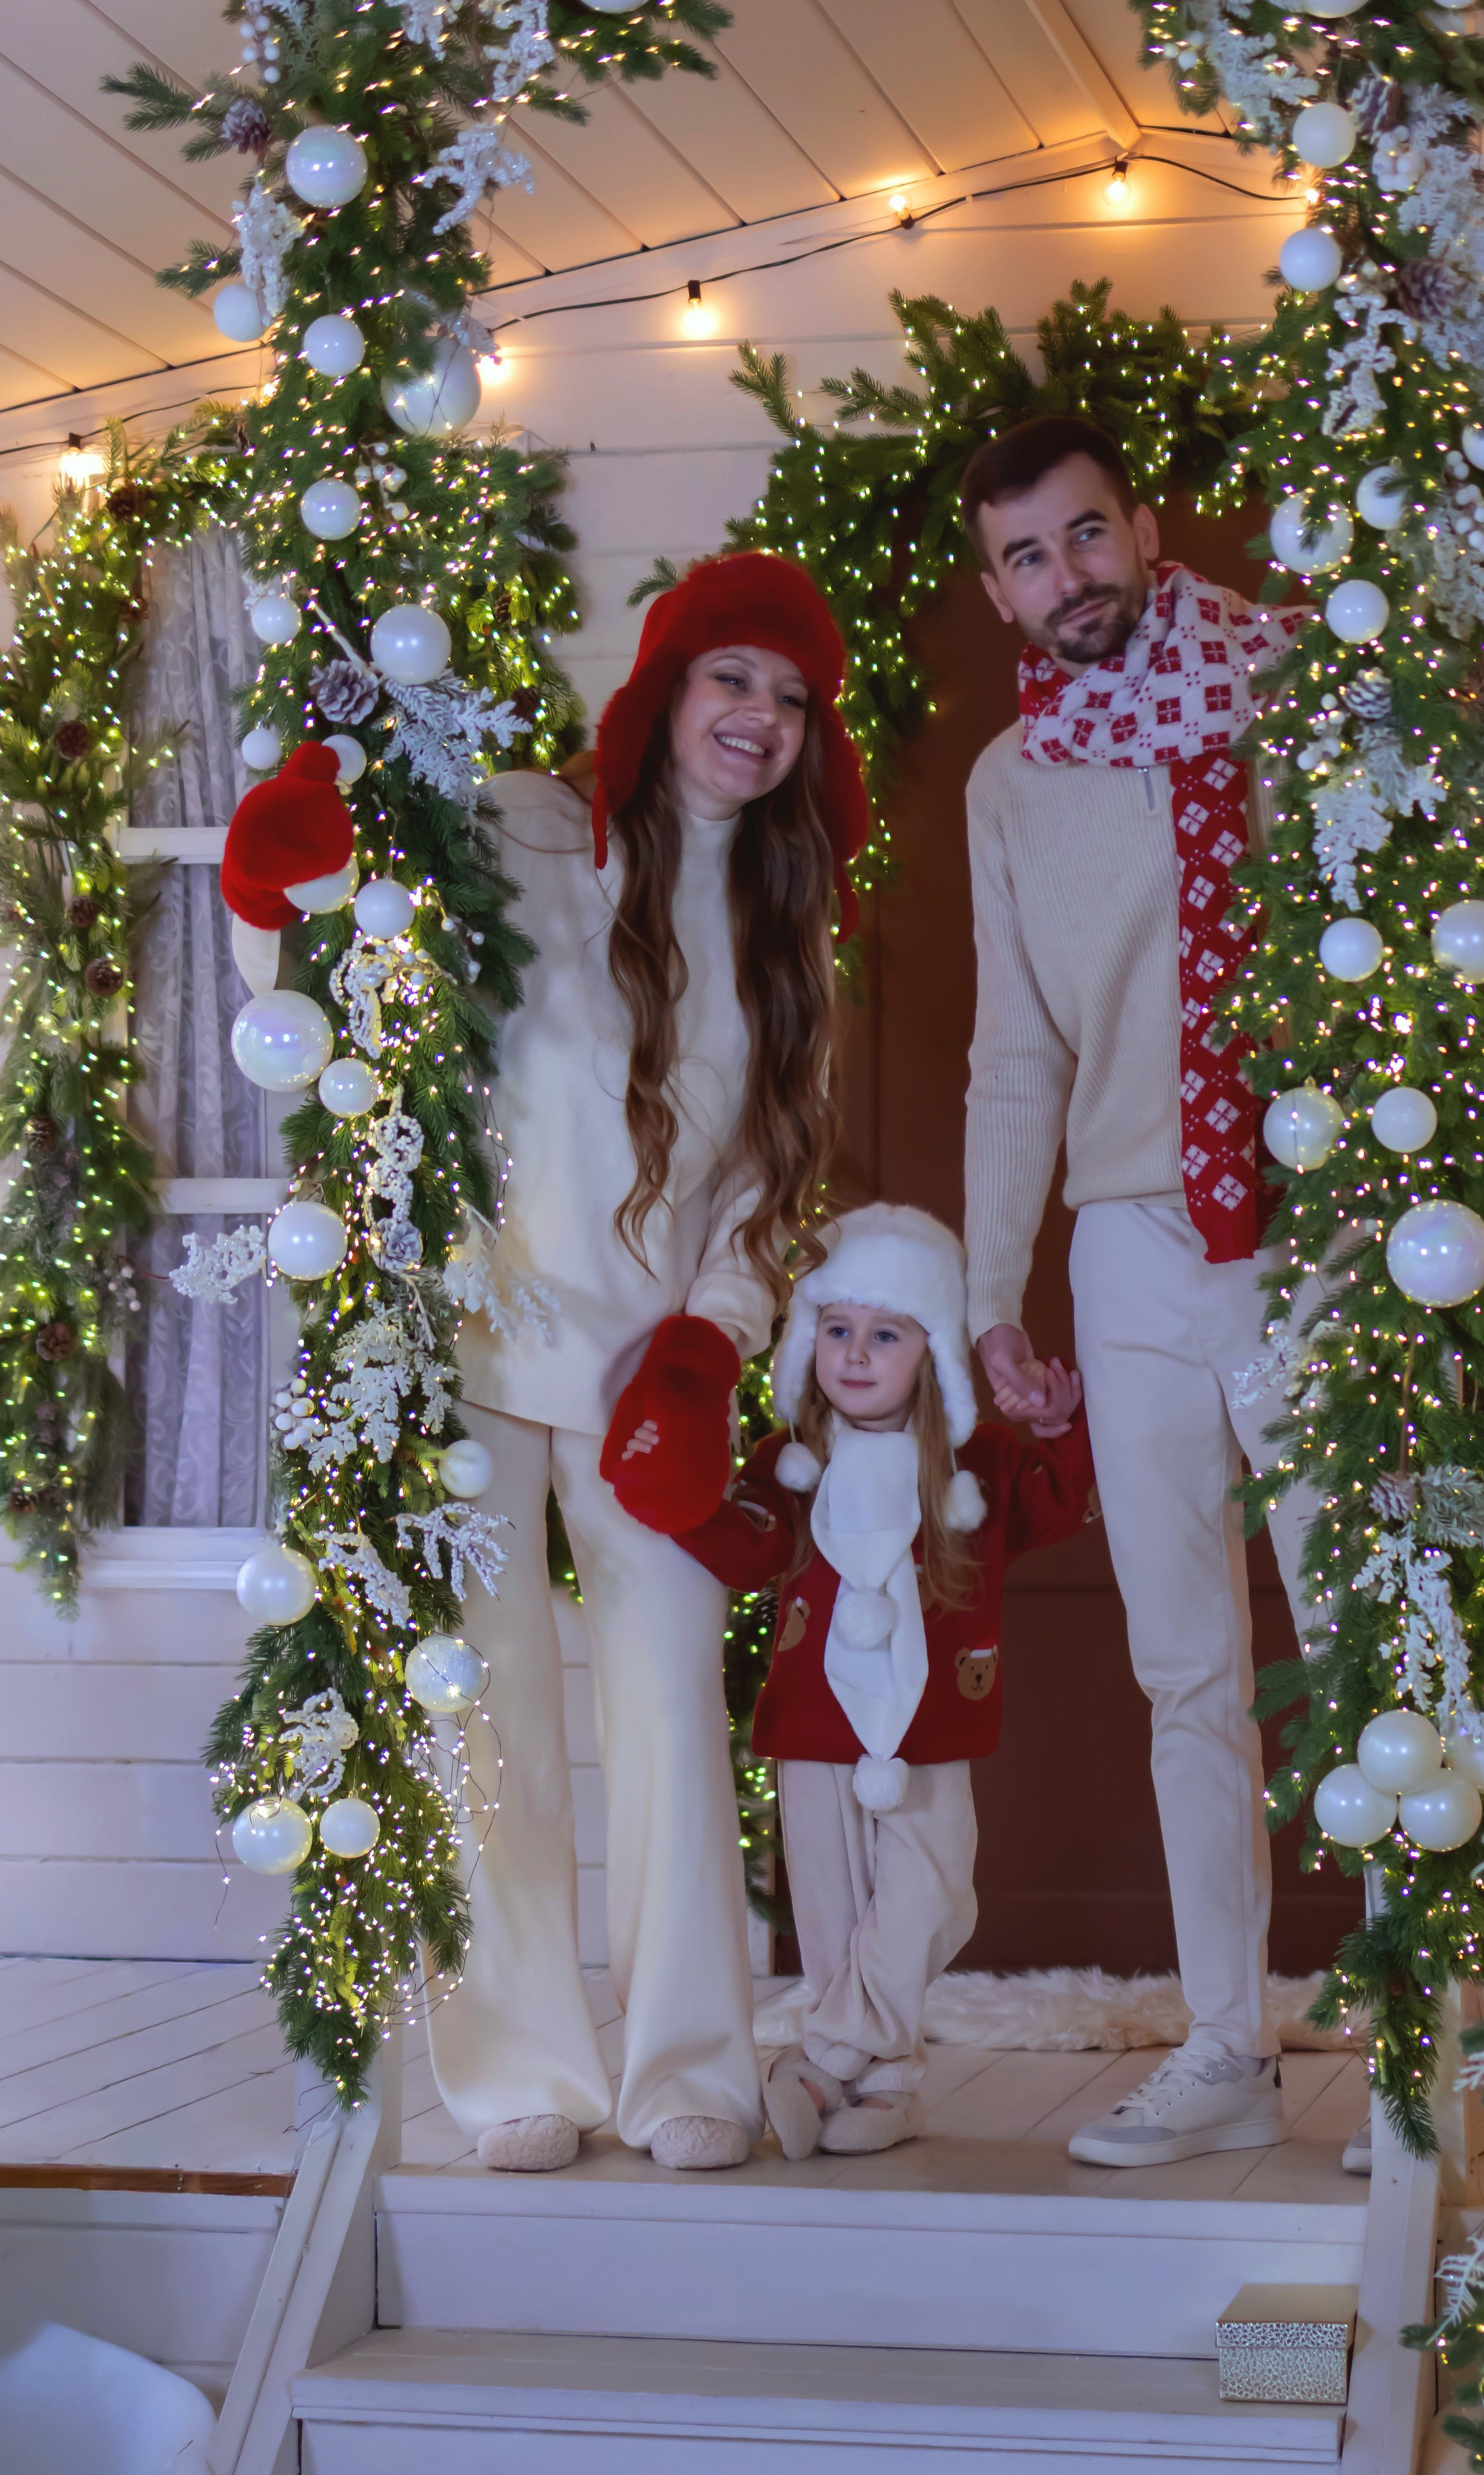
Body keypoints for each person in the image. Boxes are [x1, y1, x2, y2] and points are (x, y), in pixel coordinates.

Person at [428, 552, 866, 2175]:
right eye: (731, 678)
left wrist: (707, 1344)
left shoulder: (784, 917)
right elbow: (353, 1002)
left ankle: (689, 2068)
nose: (759, 717)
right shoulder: (514, 833)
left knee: (675, 1705)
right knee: (487, 1718)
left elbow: (763, 1190)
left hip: (647, 1379)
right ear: (665, 687)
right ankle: (517, 2072)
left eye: (790, 697)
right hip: (470, 1342)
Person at [958, 413, 1322, 2168]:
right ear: (997, 591)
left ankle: (1424, 2049)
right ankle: (1226, 2049)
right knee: (1185, 1663)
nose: (1065, 577)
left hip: (1321, 1231)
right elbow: (1013, 1052)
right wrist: (990, 1289)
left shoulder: (1294, 687)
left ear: (1142, 527)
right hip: (1128, 1237)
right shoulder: (1009, 783)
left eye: (1084, 534)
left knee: (1373, 1633)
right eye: (1025, 557)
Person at [611, 1205, 1094, 2159]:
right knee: (835, 1927)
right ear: (809, 1343)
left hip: (931, 1734)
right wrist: (674, 1494)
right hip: (814, 1734)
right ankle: (886, 2085)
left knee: (931, 1899)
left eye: (885, 1335)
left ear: (933, 1350)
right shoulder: (790, 1466)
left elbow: (1062, 1498)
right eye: (837, 1330)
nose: (857, 1354)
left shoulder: (981, 1467)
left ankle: (819, 2060)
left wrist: (1062, 1425)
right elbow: (747, 1548)